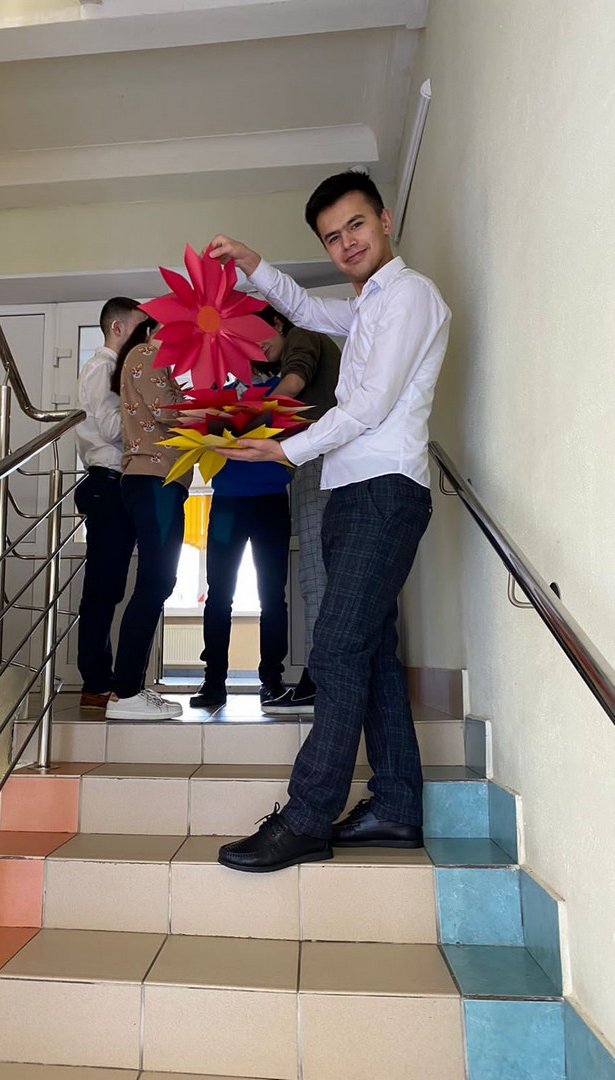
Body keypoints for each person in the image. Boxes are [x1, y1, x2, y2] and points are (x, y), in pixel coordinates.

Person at [208, 169, 451, 872]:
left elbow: (370, 405)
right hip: (352, 493)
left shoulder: (409, 296)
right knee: (370, 653)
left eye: (356, 225)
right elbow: (309, 310)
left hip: (384, 490)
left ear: (385, 220)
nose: (346, 242)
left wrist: (286, 449)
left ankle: (308, 817)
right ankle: (397, 805)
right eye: (332, 236)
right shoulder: (368, 304)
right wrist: (254, 265)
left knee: (337, 649)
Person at [190, 364, 292, 710]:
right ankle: (213, 681)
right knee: (219, 593)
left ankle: (272, 680)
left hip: (271, 500)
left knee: (272, 595)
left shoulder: (283, 390)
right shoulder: (220, 394)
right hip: (227, 503)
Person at [255, 306, 341, 716]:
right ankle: (331, 676)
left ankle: (318, 680)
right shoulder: (314, 344)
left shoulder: (302, 334)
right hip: (334, 458)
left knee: (315, 573)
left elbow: (293, 381)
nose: (257, 348)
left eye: (258, 335)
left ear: (278, 322)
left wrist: (245, 418)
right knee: (332, 572)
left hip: (319, 460)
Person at [104, 318, 192, 720]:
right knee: (156, 580)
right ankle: (124, 693)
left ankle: (130, 687)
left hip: (159, 479)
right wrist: (219, 414)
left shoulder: (154, 361)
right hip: (154, 478)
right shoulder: (147, 353)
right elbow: (168, 412)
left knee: (157, 581)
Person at [73, 297, 148, 710]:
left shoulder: (114, 369)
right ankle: (96, 682)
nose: (145, 337)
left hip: (115, 484)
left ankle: (101, 681)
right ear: (117, 328)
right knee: (103, 588)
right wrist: (152, 416)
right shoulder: (103, 369)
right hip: (106, 482)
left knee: (109, 586)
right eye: (139, 328)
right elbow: (112, 427)